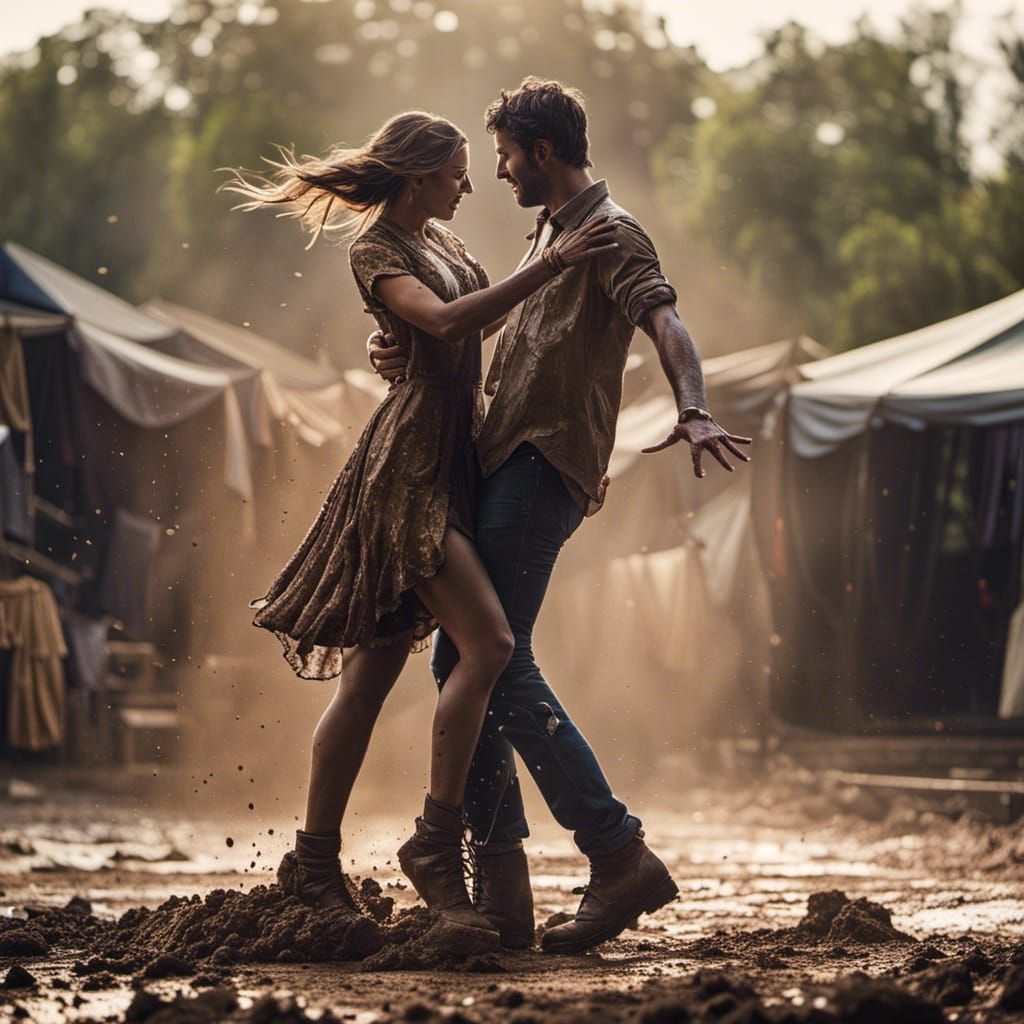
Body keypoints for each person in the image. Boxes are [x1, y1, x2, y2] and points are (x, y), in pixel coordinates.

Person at [368, 79, 752, 954]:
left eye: (504, 156)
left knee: (494, 659)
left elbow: (667, 320)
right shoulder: (548, 234)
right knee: (468, 662)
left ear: (542, 152)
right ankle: (507, 885)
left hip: (544, 465)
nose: (497, 173)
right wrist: (390, 342)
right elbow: (468, 326)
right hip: (511, 459)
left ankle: (613, 854)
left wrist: (693, 405)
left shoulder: (610, 233)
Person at [222, 110, 618, 939]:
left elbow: (484, 327)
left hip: (454, 463)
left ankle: (313, 861)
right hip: (407, 472)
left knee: (367, 679)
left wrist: (577, 427)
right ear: (415, 177)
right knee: (491, 646)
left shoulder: (454, 249)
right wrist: (546, 267)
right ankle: (430, 845)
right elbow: (441, 323)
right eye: (455, 174)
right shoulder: (378, 249)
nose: (470, 185)